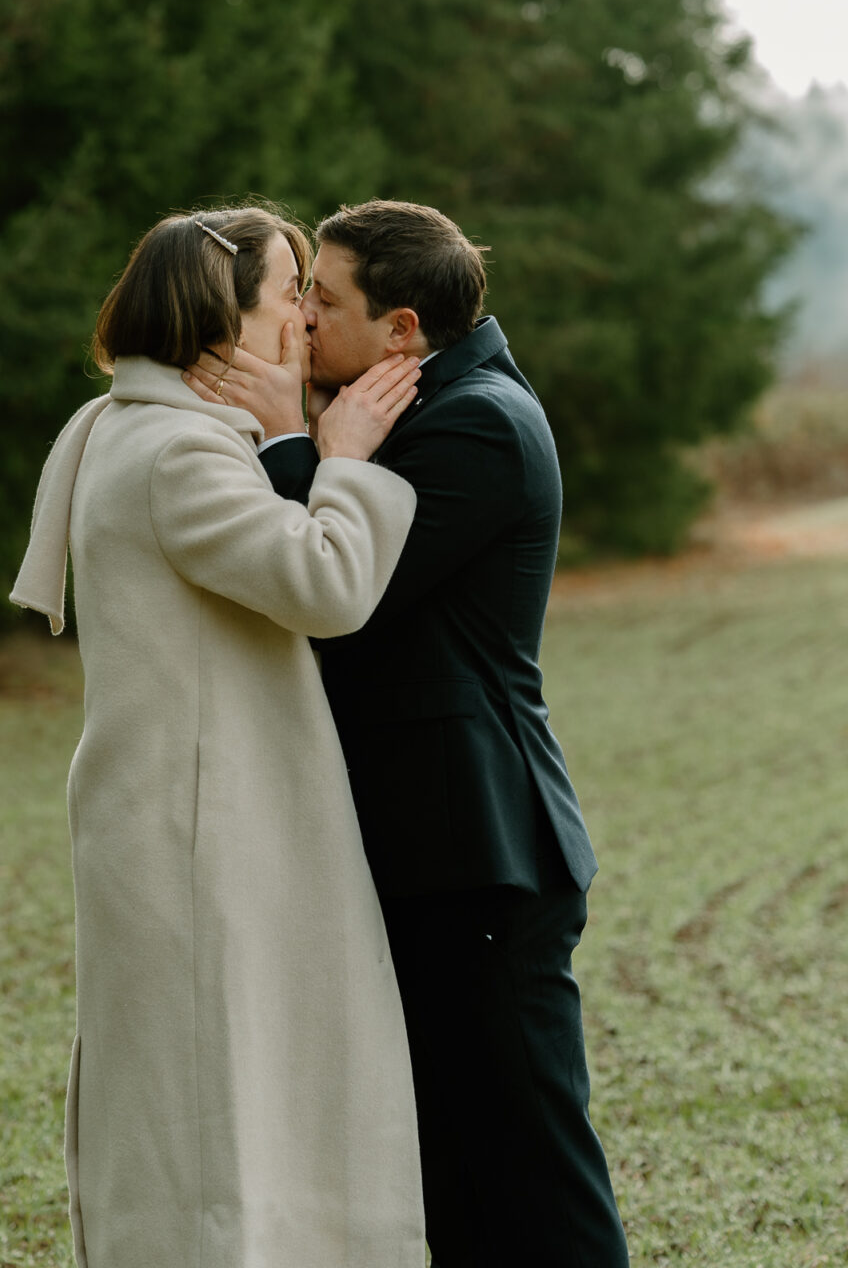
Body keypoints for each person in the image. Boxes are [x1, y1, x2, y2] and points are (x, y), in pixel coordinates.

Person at [185, 198, 630, 1268]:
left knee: (530, 1176)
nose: (297, 322)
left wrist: (299, 444)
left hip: (481, 854)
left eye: (319, 301)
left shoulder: (477, 423)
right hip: (435, 850)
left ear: (400, 331)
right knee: (457, 1176)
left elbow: (342, 594)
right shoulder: (429, 405)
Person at [10, 203, 428, 1268]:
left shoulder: (131, 427)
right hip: (199, 836)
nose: (301, 315)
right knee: (210, 1116)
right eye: (288, 293)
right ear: (222, 324)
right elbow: (327, 584)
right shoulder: (178, 454)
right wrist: (341, 454)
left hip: (190, 820)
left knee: (224, 1098)